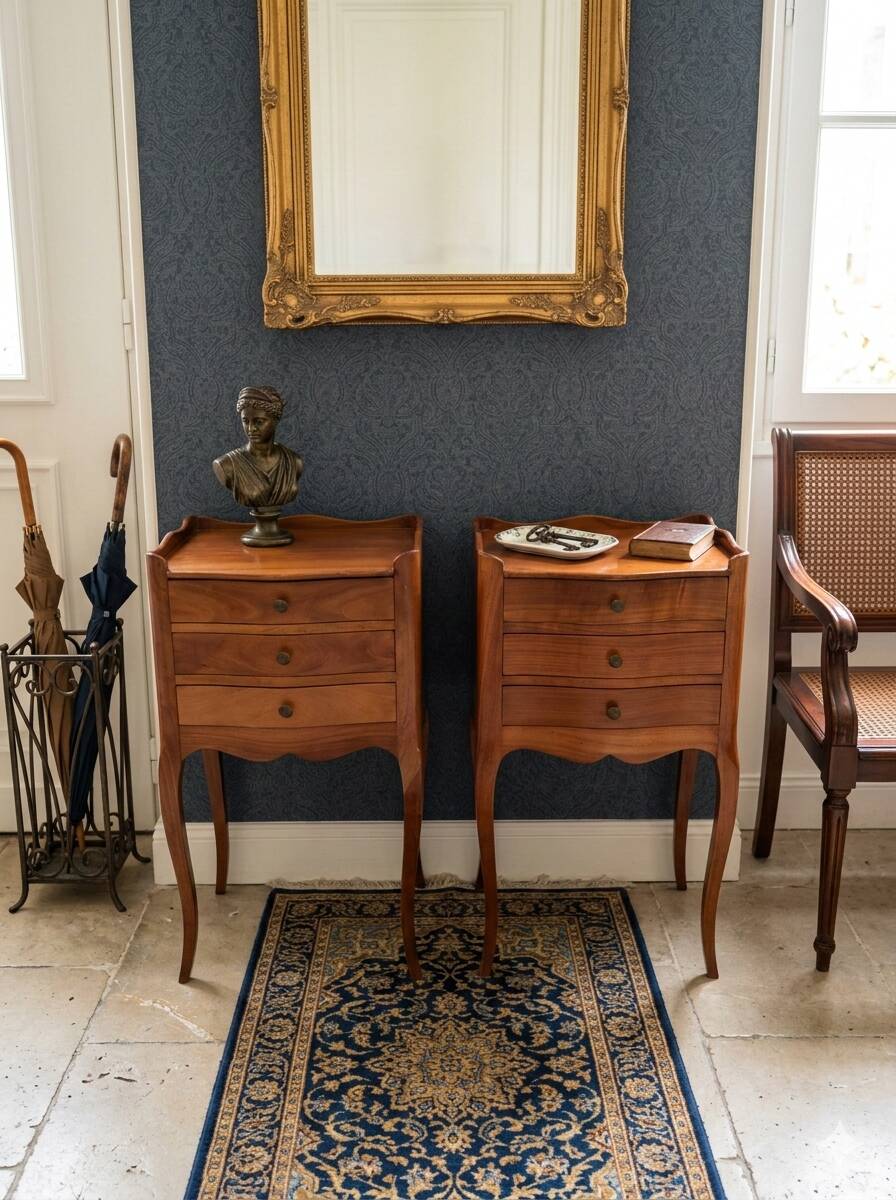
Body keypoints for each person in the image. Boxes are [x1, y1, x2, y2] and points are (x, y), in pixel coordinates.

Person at [213, 386, 303, 510]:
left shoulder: (294, 461)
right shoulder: (226, 464)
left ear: (275, 421)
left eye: (259, 422)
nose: (251, 429)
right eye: (245, 421)